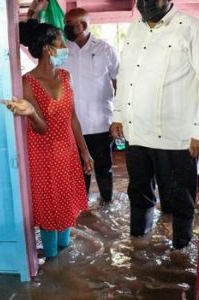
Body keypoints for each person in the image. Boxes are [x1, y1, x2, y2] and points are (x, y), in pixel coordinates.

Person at [110, 0, 199, 250]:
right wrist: (118, 115)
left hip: (176, 135)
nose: (145, 3)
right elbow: (125, 77)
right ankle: (138, 241)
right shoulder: (135, 30)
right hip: (137, 131)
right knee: (138, 191)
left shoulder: (191, 29)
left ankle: (181, 247)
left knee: (179, 195)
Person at [1, 18, 93, 259]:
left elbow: (72, 117)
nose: (65, 49)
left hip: (68, 151)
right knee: (50, 204)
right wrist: (31, 112)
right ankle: (53, 260)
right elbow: (41, 129)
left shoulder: (65, 77)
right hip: (43, 154)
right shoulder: (27, 82)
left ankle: (64, 254)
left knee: (65, 202)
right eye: (61, 44)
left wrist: (85, 152)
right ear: (46, 49)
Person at [61, 8, 120, 204]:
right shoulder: (61, 50)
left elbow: (118, 81)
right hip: (72, 123)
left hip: (101, 122)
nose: (65, 27)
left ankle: (107, 202)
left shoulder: (105, 49)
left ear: (83, 25)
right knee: (78, 170)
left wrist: (119, 116)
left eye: (69, 23)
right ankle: (81, 206)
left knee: (104, 167)